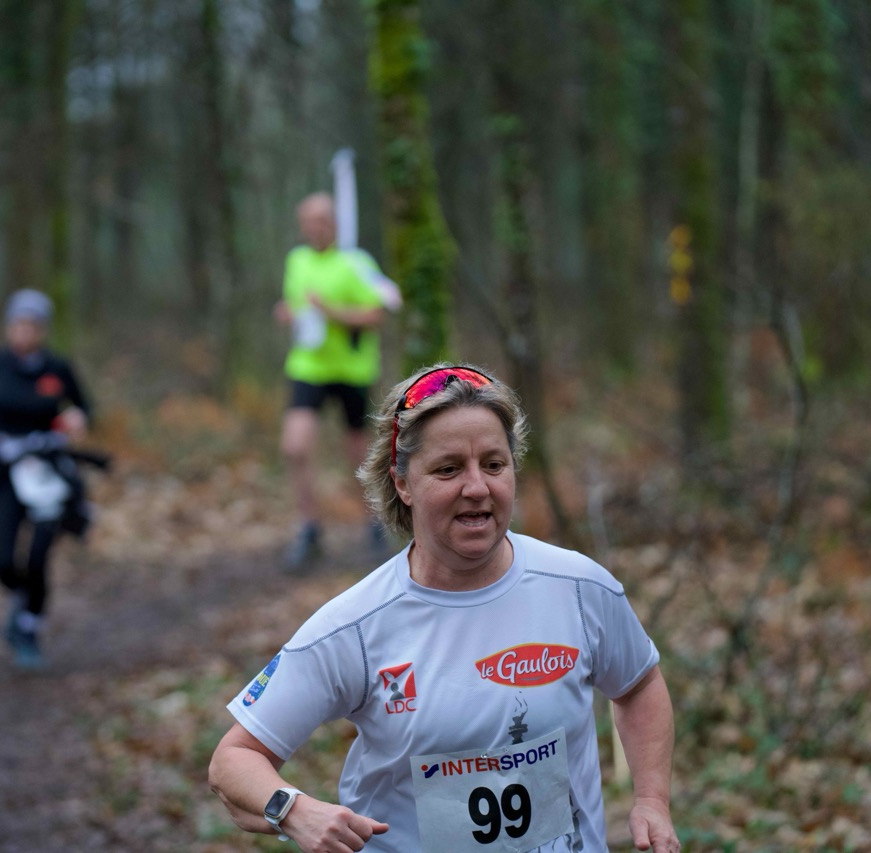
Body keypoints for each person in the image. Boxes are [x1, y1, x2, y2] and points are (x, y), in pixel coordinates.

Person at [209, 364, 680, 852]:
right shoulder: (354, 627)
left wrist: (652, 800)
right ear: (403, 483)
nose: (477, 487)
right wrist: (293, 810)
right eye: (448, 469)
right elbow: (233, 761)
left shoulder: (579, 587)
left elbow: (639, 684)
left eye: (494, 465)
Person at [0, 289, 91, 669]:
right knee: (3, 558)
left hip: (48, 471)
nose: (24, 332)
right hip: (7, 471)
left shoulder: (57, 367)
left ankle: (27, 629)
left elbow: (84, 406)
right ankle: (21, 599)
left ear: (42, 330)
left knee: (38, 556)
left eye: (32, 325)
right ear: (9, 327)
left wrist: (78, 418)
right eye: (18, 324)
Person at [274, 192, 394, 569]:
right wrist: (287, 314)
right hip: (308, 367)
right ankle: (309, 528)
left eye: (322, 220)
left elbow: (378, 314)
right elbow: (296, 307)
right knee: (295, 447)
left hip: (352, 371)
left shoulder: (356, 263)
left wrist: (332, 312)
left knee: (358, 454)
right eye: (309, 221)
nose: (316, 227)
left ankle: (375, 523)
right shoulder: (296, 260)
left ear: (336, 223)